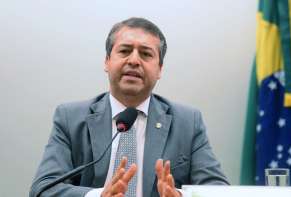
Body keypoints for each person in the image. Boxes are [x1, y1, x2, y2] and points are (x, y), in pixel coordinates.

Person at [30, 17, 229, 197]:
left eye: (145, 54)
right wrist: (98, 196)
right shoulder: (70, 118)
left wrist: (179, 196)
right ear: (107, 61)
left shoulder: (188, 122)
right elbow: (43, 189)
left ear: (159, 69)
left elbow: (218, 190)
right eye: (125, 51)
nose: (134, 60)